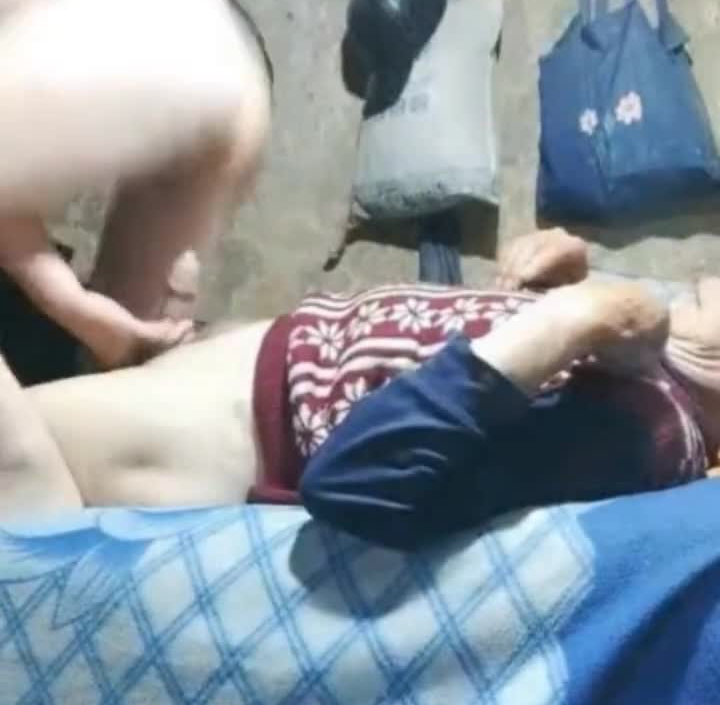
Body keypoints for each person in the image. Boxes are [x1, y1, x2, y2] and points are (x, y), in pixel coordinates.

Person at [0, 227, 714, 547]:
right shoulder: (652, 390)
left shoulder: (653, 436)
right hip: (207, 403)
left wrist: (572, 318)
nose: (709, 274)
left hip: (208, 440)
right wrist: (559, 294)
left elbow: (360, 478)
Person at [0, 0, 272, 368]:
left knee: (123, 353)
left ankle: (129, 359)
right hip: (175, 12)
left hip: (187, 73)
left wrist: (81, 311)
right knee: (123, 344)